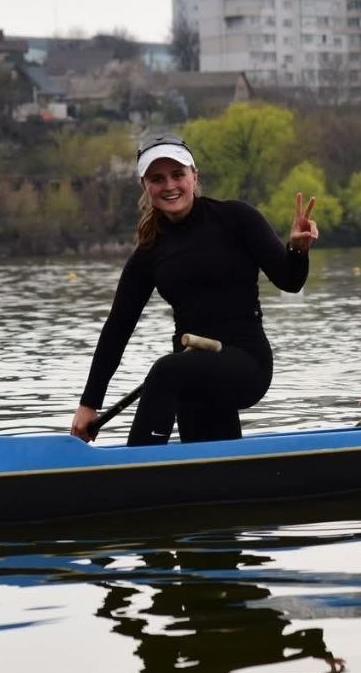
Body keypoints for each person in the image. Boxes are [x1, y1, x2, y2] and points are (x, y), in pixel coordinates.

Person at [71, 133, 319, 445]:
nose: (170, 186)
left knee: (165, 371)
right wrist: (89, 403)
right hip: (190, 370)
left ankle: (134, 476)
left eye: (178, 175)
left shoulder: (236, 218)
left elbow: (290, 281)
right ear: (145, 187)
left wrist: (297, 249)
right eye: (157, 179)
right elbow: (119, 326)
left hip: (246, 362)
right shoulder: (150, 250)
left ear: (194, 176)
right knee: (214, 458)